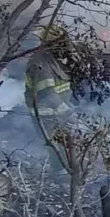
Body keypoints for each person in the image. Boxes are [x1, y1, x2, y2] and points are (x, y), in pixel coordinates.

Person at [24, 25, 74, 169]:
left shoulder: (51, 60)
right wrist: (66, 111)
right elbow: (47, 93)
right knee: (57, 150)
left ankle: (65, 174)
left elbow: (61, 87)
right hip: (46, 116)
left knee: (66, 148)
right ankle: (59, 177)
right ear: (51, 43)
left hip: (58, 113)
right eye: (60, 42)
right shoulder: (39, 63)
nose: (64, 46)